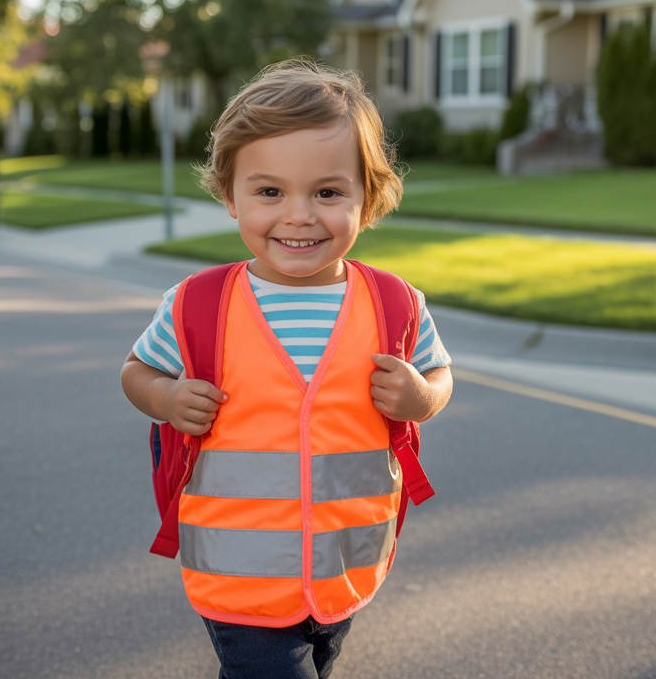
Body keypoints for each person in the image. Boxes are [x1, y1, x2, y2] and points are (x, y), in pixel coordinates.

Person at [120, 59, 453, 678]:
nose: (299, 215)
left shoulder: (395, 304)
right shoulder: (198, 304)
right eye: (270, 192)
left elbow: (439, 375)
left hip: (345, 562)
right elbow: (137, 370)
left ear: (368, 199)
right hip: (238, 570)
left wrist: (421, 397)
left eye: (327, 193)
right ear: (230, 196)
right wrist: (165, 399)